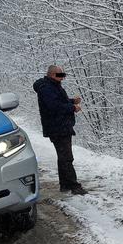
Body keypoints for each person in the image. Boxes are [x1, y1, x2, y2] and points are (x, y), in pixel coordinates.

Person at [33, 65, 87, 194]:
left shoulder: (51, 85)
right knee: (66, 157)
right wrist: (73, 108)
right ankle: (74, 186)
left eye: (63, 75)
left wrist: (72, 101)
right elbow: (54, 106)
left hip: (60, 125)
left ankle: (65, 185)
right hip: (57, 127)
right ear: (51, 74)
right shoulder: (47, 88)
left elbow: (58, 100)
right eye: (59, 75)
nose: (62, 78)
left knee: (63, 157)